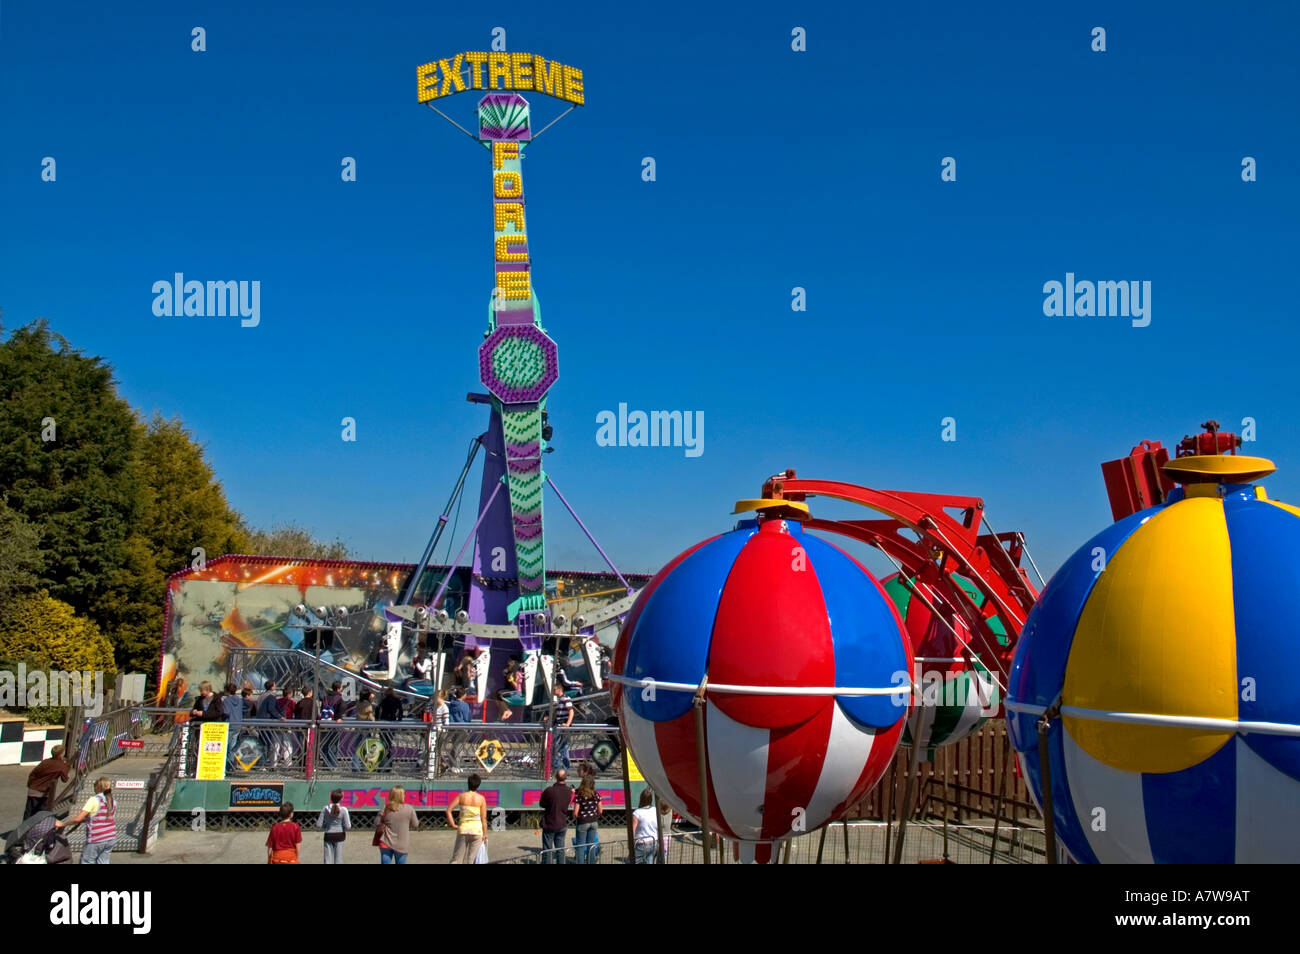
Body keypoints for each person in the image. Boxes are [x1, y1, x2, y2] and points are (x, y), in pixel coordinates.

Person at [58, 777, 116, 864]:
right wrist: (88, 819)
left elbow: (78, 819)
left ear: (97, 788)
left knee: (87, 861)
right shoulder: (113, 801)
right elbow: (104, 818)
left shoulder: (93, 800)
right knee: (103, 862)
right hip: (110, 837)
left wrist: (62, 824)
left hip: (96, 838)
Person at [446, 773, 487, 863]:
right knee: (471, 860)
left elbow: (449, 810)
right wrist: (485, 834)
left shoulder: (461, 796)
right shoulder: (481, 799)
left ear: (468, 783)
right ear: (478, 785)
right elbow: (483, 818)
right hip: (477, 831)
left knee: (457, 859)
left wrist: (453, 824)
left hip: (463, 829)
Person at [23, 745, 70, 820]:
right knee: (40, 816)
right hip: (43, 793)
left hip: (33, 790)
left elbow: (33, 773)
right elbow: (65, 779)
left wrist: (30, 784)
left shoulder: (45, 762)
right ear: (61, 754)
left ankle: (24, 830)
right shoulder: (61, 765)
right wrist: (67, 767)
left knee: (28, 813)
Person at [375, 786, 418, 864]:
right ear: (402, 796)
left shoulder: (385, 808)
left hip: (385, 842)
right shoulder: (409, 809)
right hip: (402, 843)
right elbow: (415, 824)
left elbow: (376, 822)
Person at [537, 769, 572, 863]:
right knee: (560, 849)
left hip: (550, 823)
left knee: (548, 849)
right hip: (562, 823)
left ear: (556, 777)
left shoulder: (549, 790)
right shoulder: (569, 791)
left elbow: (542, 804)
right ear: (566, 777)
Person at [571, 773, 602, 864]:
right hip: (593, 821)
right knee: (591, 845)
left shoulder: (580, 795)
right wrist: (595, 815)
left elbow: (575, 812)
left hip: (583, 822)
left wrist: (576, 817)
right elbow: (600, 810)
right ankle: (591, 862)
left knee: (580, 846)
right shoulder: (596, 794)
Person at [317, 789, 351, 864]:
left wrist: (326, 826)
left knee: (327, 860)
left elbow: (318, 825)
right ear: (341, 799)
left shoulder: (325, 808)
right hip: (340, 835)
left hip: (328, 835)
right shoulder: (344, 810)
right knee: (338, 860)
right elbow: (348, 826)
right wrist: (342, 827)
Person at [551, 683, 574, 771]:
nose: (553, 692)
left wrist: (567, 724)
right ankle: (562, 768)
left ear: (559, 690)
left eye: (554, 690)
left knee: (559, 746)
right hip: (559, 724)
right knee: (561, 746)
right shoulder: (560, 700)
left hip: (562, 725)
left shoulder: (565, 699)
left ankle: (560, 768)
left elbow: (571, 711)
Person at [632, 790, 658, 864]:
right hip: (654, 841)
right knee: (649, 861)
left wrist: (630, 844)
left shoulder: (637, 813)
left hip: (642, 843)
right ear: (651, 799)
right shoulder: (655, 810)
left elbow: (632, 830)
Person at [495, 657, 522, 721]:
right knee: (497, 695)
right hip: (510, 691)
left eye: (511, 662)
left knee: (499, 694)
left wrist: (511, 680)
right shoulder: (509, 672)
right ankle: (503, 713)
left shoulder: (517, 673)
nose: (509, 664)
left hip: (516, 693)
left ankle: (507, 711)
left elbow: (517, 687)